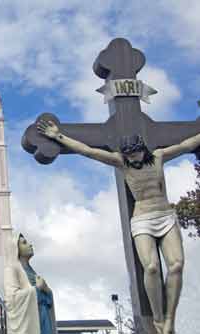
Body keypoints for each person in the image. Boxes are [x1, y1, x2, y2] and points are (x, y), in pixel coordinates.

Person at [37, 119, 200, 334]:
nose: (132, 157)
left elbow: (186, 145)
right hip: (142, 218)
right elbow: (88, 151)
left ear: (142, 149)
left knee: (176, 265)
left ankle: (169, 318)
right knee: (151, 267)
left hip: (165, 215)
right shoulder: (121, 162)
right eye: (129, 154)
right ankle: (158, 319)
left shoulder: (159, 157)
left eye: (135, 153)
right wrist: (58, 136)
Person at [4, 231, 57, 334]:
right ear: (16, 249)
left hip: (43, 317)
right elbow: (11, 300)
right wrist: (37, 289)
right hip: (31, 322)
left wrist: (47, 290)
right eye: (24, 243)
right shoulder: (11, 269)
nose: (30, 244)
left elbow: (46, 297)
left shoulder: (32, 271)